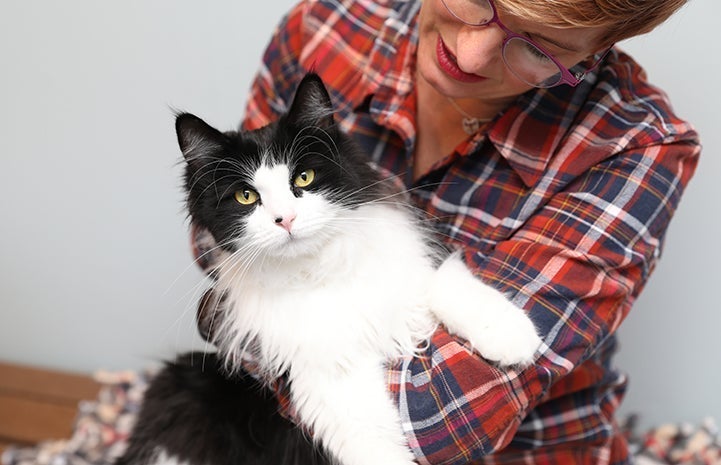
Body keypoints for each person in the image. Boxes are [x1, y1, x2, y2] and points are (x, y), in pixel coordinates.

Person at [191, 0, 700, 463]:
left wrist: (258, 327)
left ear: (595, 54)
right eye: (478, 0)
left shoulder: (636, 146)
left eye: (540, 49)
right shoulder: (322, 28)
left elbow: (437, 418)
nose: (471, 53)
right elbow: (214, 231)